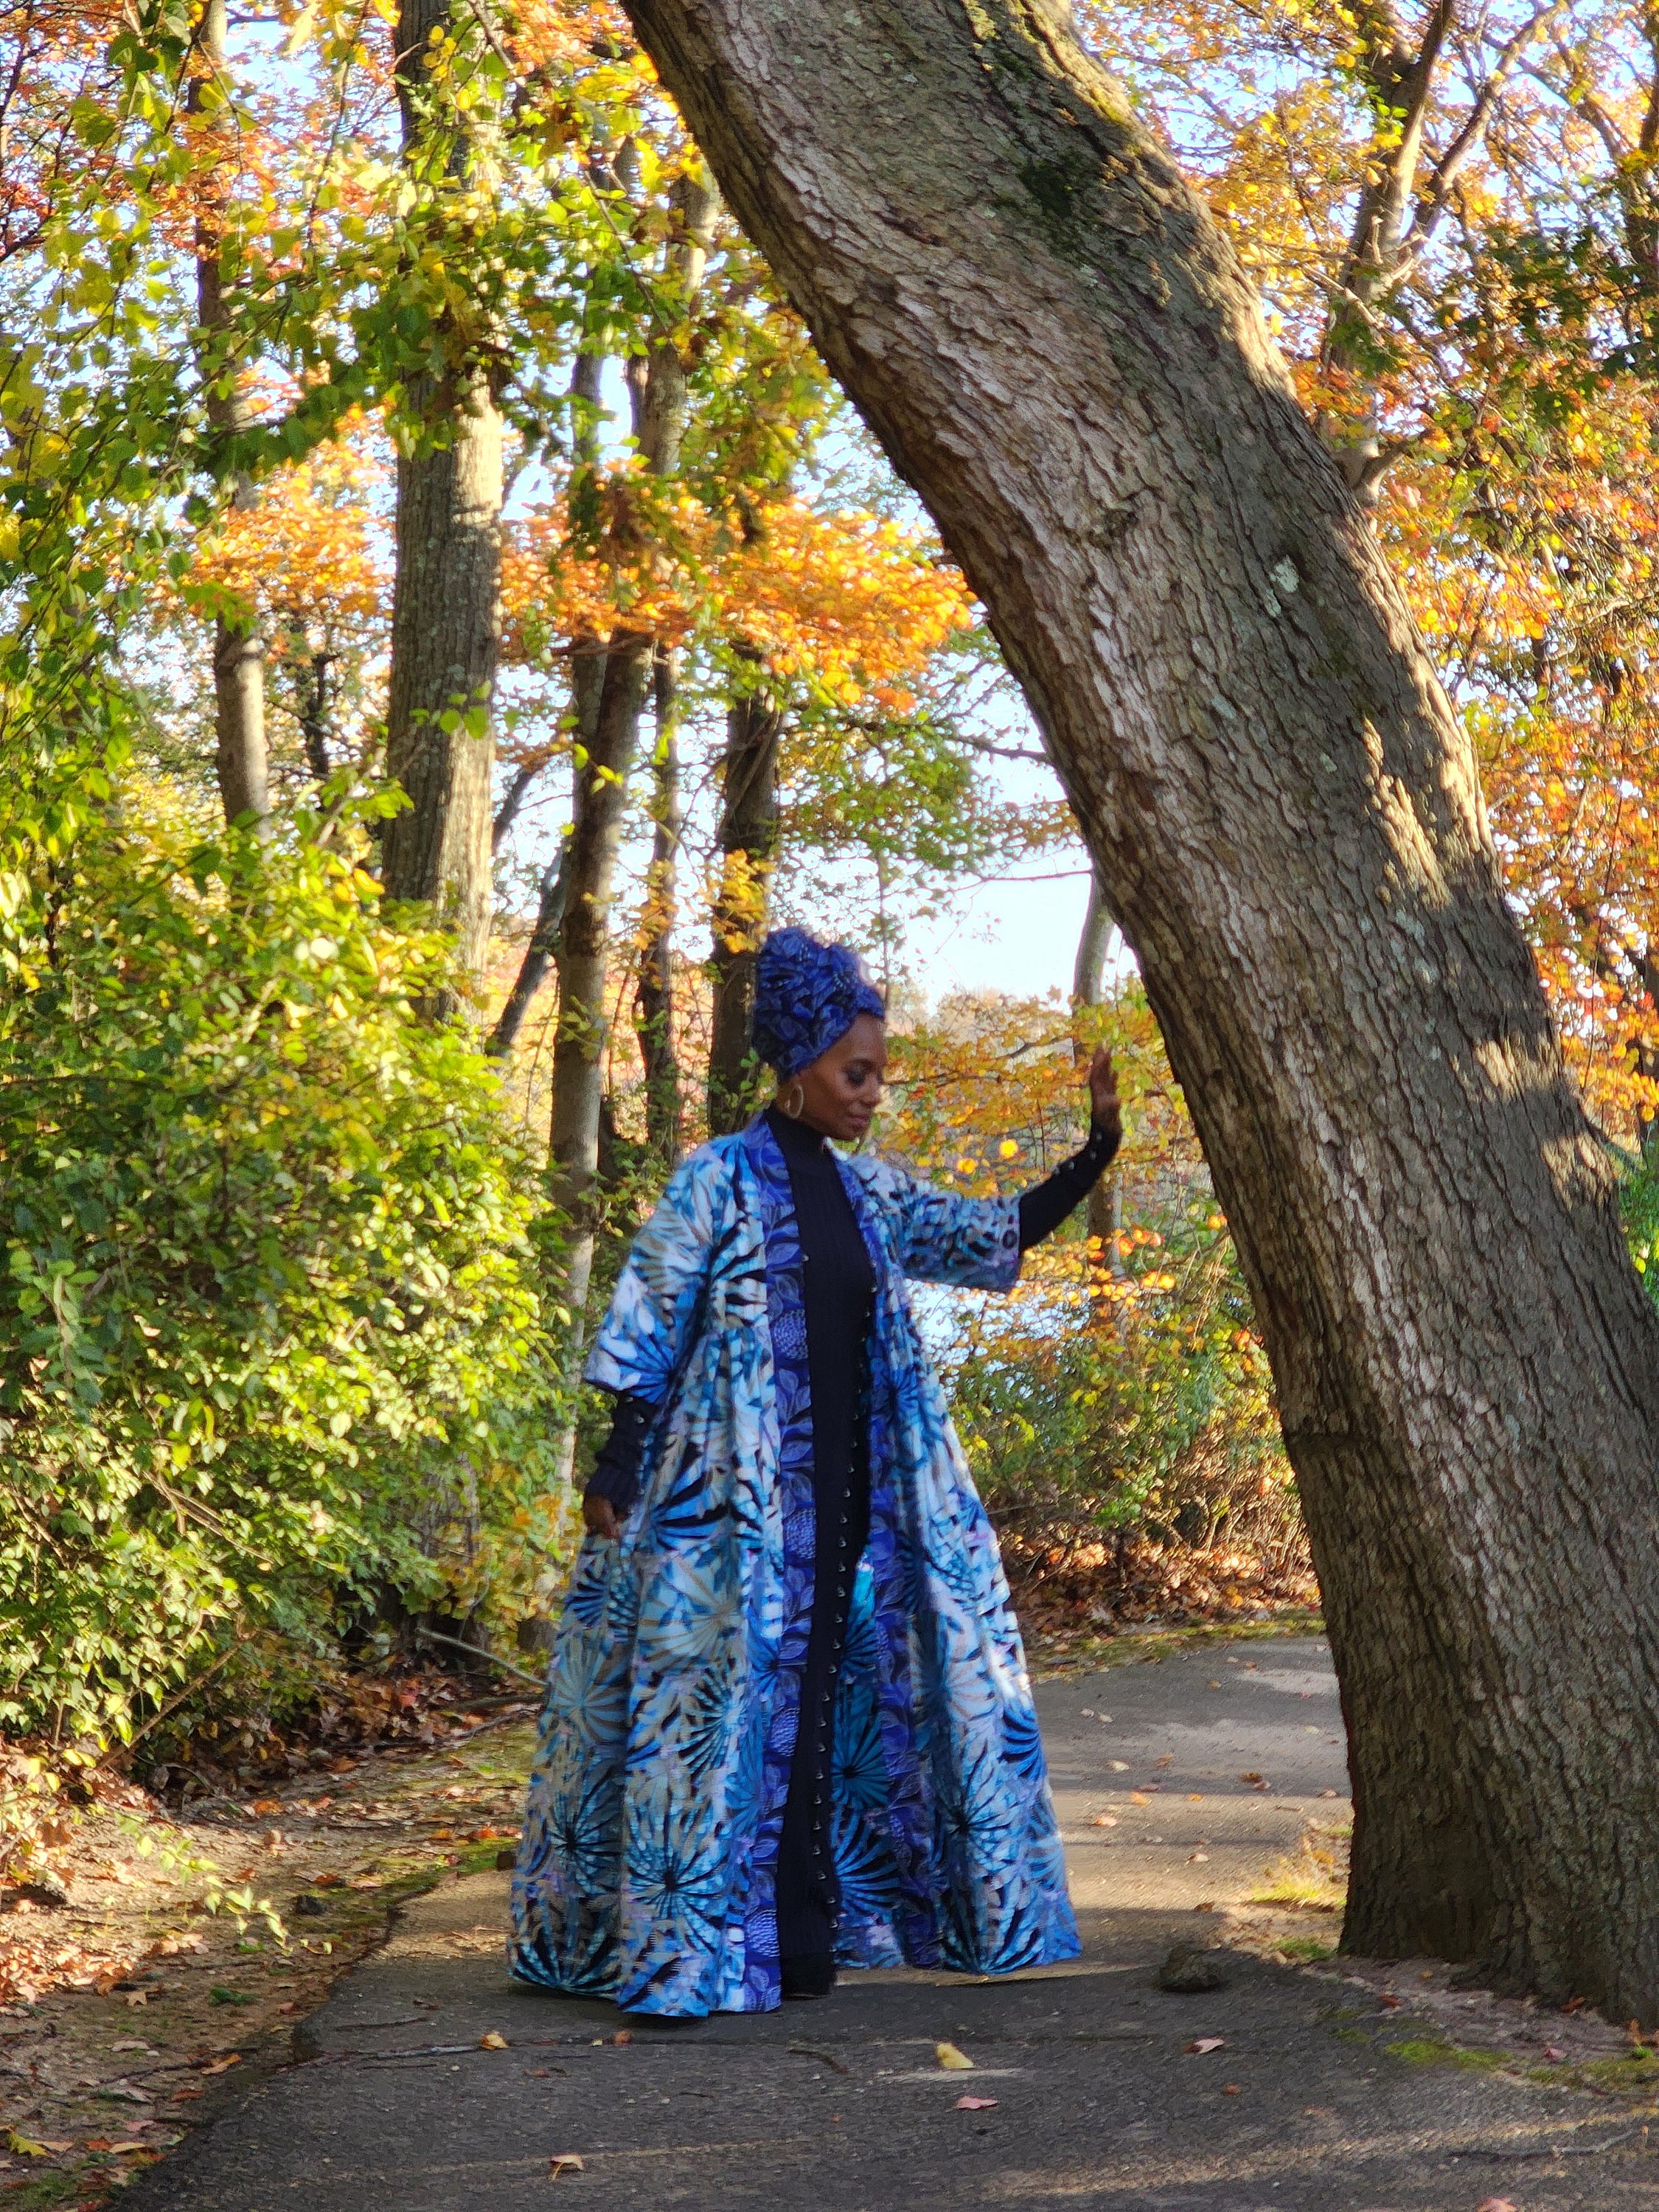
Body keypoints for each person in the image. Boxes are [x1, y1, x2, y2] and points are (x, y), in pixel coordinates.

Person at [509, 927, 1121, 2017]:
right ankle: (720, 1949)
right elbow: (649, 1315)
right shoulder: (717, 1179)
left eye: (879, 1075)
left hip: (852, 1511)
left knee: (825, 1711)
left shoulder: (868, 1194)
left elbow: (991, 1235)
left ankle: (801, 1932)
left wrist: (1095, 1152)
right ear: (798, 1067)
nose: (873, 1095)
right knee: (724, 1719)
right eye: (856, 1074)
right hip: (728, 1515)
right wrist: (616, 1463)